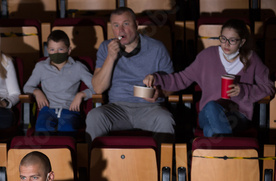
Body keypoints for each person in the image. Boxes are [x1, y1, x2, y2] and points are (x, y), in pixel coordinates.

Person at [143, 19, 276, 137]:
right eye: (223, 38)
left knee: (210, 131)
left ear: (242, 42)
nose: (226, 44)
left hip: (237, 116)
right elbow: (181, 79)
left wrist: (243, 91)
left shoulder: (252, 60)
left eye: (232, 40)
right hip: (207, 113)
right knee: (212, 106)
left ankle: (219, 155)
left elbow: (269, 87)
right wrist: (156, 78)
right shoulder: (207, 56)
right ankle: (229, 152)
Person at [85, 7, 175, 143]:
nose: (121, 30)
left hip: (149, 108)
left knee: (165, 119)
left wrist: (159, 93)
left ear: (137, 25)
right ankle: (96, 163)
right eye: (116, 25)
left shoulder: (157, 48)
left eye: (126, 24)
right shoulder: (106, 48)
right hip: (118, 108)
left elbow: (172, 86)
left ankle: (161, 163)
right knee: (94, 116)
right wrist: (110, 57)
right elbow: (98, 88)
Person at [23, 30, 95, 134]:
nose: (56, 53)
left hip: (70, 110)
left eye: (60, 49)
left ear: (69, 50)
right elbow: (27, 87)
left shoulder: (78, 67)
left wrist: (81, 94)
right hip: (47, 110)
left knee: (67, 128)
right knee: (42, 129)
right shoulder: (41, 67)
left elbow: (96, 88)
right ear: (47, 50)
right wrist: (37, 92)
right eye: (52, 50)